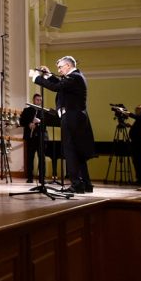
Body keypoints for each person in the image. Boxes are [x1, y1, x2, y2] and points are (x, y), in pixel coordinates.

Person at [30, 56, 95, 194]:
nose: (58, 70)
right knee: (78, 152)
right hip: (76, 118)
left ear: (68, 66)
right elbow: (60, 84)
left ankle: (77, 184)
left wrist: (37, 78)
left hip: (71, 118)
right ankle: (86, 184)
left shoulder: (75, 77)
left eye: (60, 67)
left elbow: (56, 87)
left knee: (70, 151)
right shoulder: (75, 77)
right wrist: (47, 76)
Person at [19, 93, 47, 183]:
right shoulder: (27, 110)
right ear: (33, 100)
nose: (39, 102)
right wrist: (29, 124)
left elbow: (46, 125)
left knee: (41, 158)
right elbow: (21, 122)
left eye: (40, 100)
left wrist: (40, 122)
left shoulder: (43, 111)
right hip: (30, 137)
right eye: (37, 100)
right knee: (30, 158)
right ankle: (30, 177)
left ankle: (41, 178)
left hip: (40, 137)